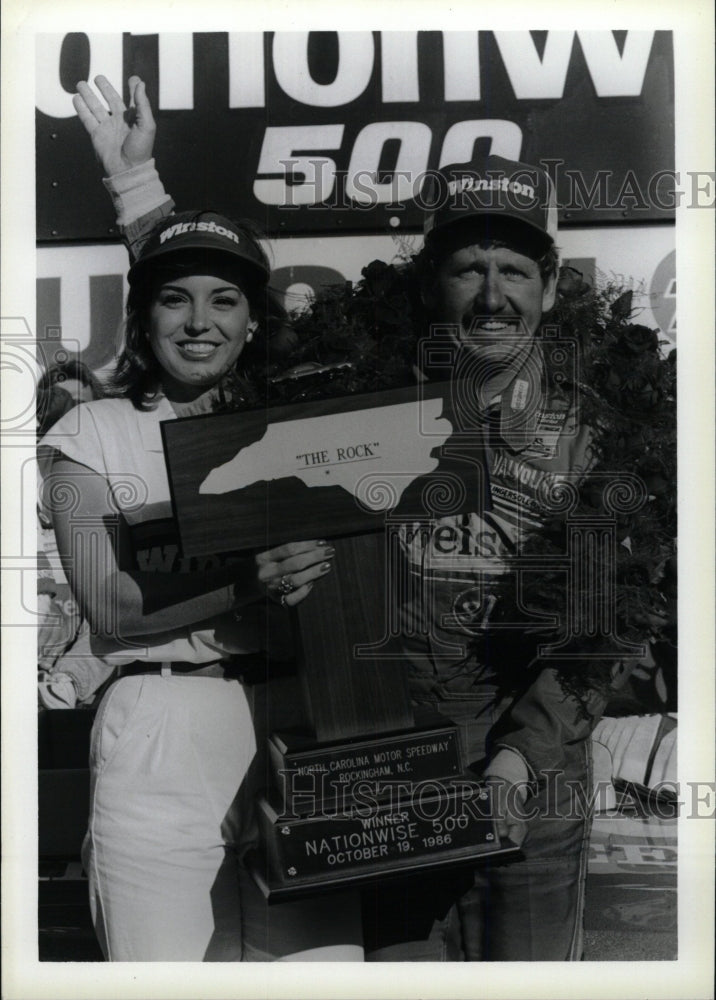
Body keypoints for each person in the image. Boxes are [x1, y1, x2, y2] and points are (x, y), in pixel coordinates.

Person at [70, 76, 628, 961]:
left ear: (551, 287)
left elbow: (607, 625)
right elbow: (215, 328)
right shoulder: (357, 387)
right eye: (467, 269)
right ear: (430, 281)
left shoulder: (601, 429)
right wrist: (139, 193)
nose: (491, 295)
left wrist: (523, 756)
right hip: (380, 765)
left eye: (515, 270)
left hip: (527, 775)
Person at [40, 78, 364, 962]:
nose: (199, 321)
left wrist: (140, 188)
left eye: (225, 303)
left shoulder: (295, 421)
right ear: (143, 318)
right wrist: (243, 579)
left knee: (321, 975)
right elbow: (110, 606)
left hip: (306, 722)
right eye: (175, 301)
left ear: (256, 323)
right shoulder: (87, 431)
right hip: (160, 727)